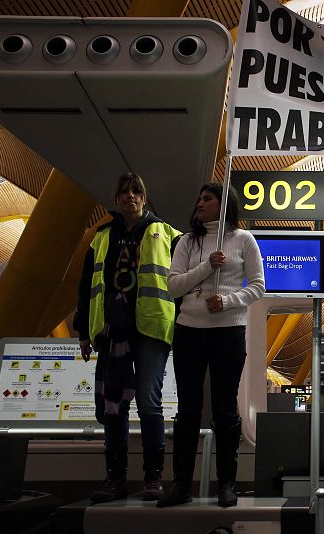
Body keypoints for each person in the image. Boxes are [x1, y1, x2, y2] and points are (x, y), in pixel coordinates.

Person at [74, 172, 181, 503]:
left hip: (150, 328)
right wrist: (83, 330)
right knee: (113, 406)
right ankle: (115, 479)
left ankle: (153, 478)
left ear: (144, 198)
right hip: (111, 331)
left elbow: (182, 281)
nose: (130, 196)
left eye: (136, 191)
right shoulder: (101, 237)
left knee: (149, 401)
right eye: (124, 191)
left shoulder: (168, 234)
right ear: (116, 198)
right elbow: (85, 287)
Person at [158, 183, 265, 508]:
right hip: (189, 331)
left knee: (225, 408)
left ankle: (227, 485)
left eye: (208, 199)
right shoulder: (188, 242)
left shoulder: (244, 240)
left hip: (228, 333)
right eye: (199, 198)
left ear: (223, 204)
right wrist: (207, 266)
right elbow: (173, 285)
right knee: (188, 410)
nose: (200, 203)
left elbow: (258, 286)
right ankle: (181, 485)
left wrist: (230, 301)